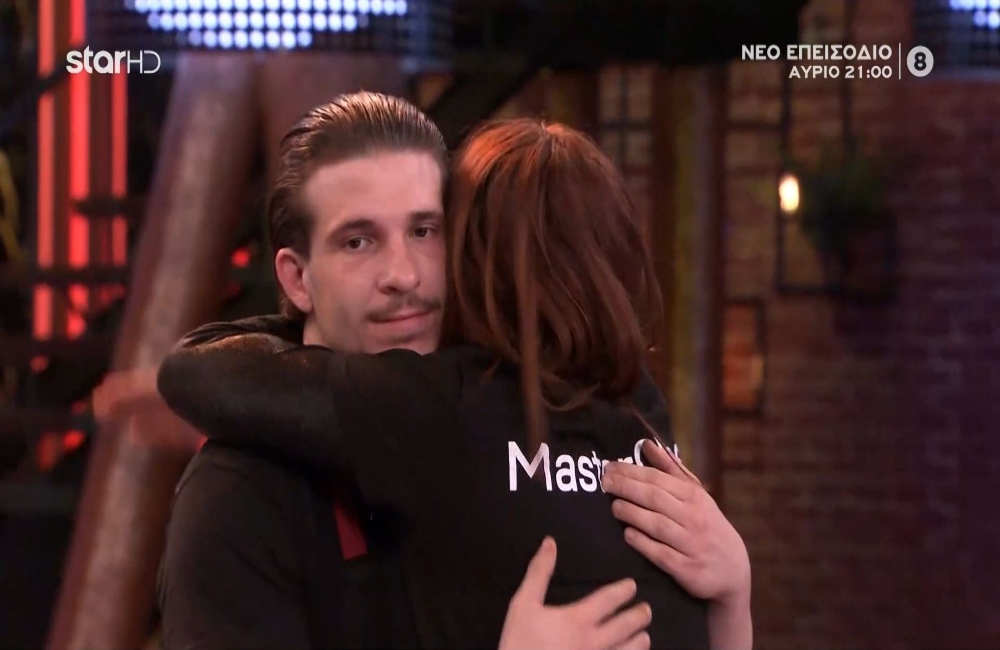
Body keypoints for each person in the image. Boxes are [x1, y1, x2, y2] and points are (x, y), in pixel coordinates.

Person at [156, 105, 752, 648]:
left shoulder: (509, 406)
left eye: (425, 231)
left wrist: (733, 597)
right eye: (358, 241)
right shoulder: (240, 494)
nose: (404, 275)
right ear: (296, 279)